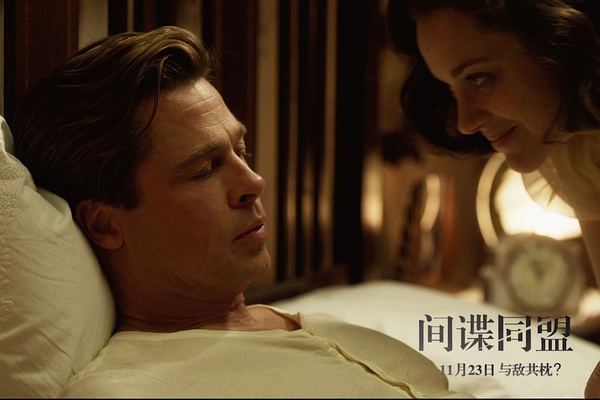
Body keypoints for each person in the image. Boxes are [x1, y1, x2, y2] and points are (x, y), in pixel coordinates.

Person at [11, 26, 468, 398]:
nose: (253, 182)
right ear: (104, 223)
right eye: (205, 169)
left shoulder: (333, 330)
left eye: (241, 150)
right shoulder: (134, 389)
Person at [385, 0, 600, 397]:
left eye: (480, 78)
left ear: (559, 42)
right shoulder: (576, 153)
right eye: (451, 89)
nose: (465, 122)